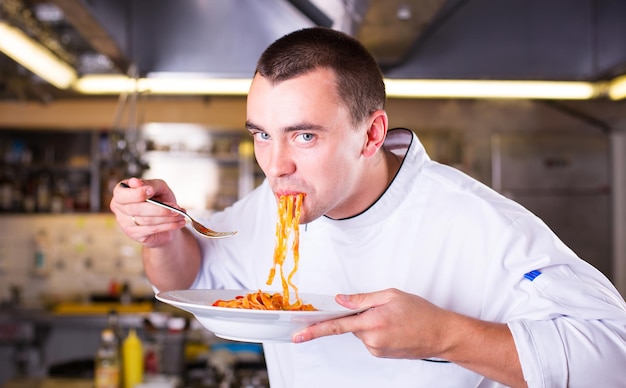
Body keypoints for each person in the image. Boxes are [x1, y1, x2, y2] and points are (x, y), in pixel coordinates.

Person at [110, 27, 626, 387]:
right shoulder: (272, 203)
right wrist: (162, 237)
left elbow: (613, 358)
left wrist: (447, 335)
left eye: (304, 135)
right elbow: (197, 276)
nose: (276, 165)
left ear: (371, 134)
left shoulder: (480, 223)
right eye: (262, 135)